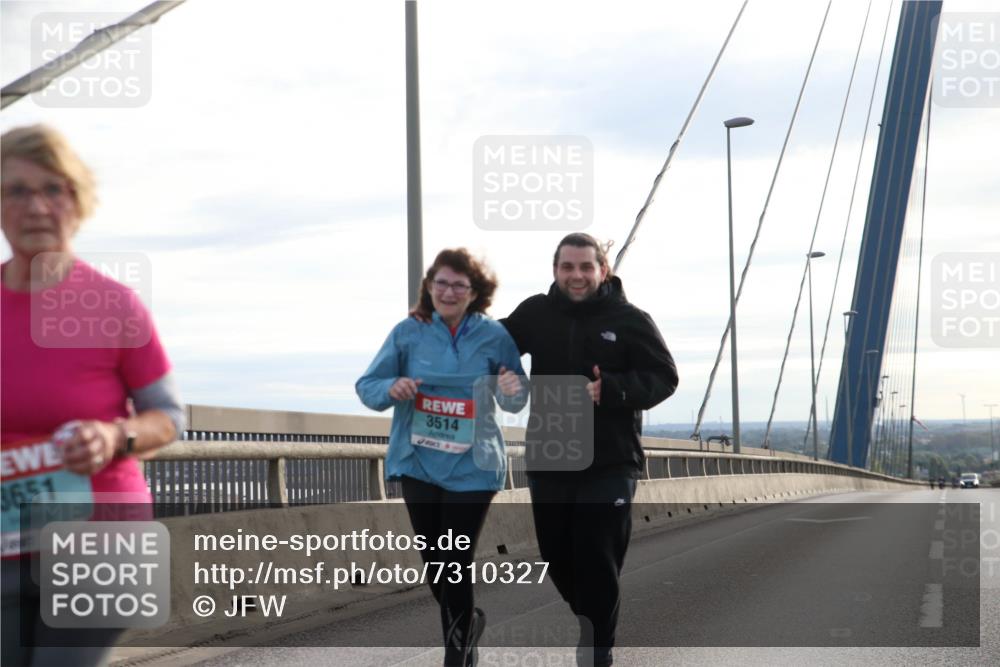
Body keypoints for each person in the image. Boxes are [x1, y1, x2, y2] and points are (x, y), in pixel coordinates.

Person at [1, 124, 184, 667]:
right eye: (16, 190)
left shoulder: (114, 304)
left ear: (77, 203)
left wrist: (114, 435)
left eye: (53, 189)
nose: (36, 206)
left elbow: (169, 418)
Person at [501, 233, 678, 667]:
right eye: (567, 267)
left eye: (585, 267)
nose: (576, 276)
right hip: (551, 454)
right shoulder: (535, 313)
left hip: (611, 460)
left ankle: (597, 652)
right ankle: (591, 618)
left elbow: (664, 376)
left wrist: (614, 389)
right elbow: (490, 346)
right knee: (557, 557)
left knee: (597, 560)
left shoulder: (629, 319)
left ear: (603, 269)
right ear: (555, 270)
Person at [356, 248, 528, 667]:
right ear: (430, 286)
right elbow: (368, 385)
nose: (449, 291)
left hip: (475, 467)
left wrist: (510, 388)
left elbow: (518, 396)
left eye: (459, 285)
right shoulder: (407, 333)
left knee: (455, 561)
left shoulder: (493, 337)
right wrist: (391, 389)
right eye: (442, 283)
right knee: (436, 566)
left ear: (475, 293)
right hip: (418, 463)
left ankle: (458, 655)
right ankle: (467, 621)